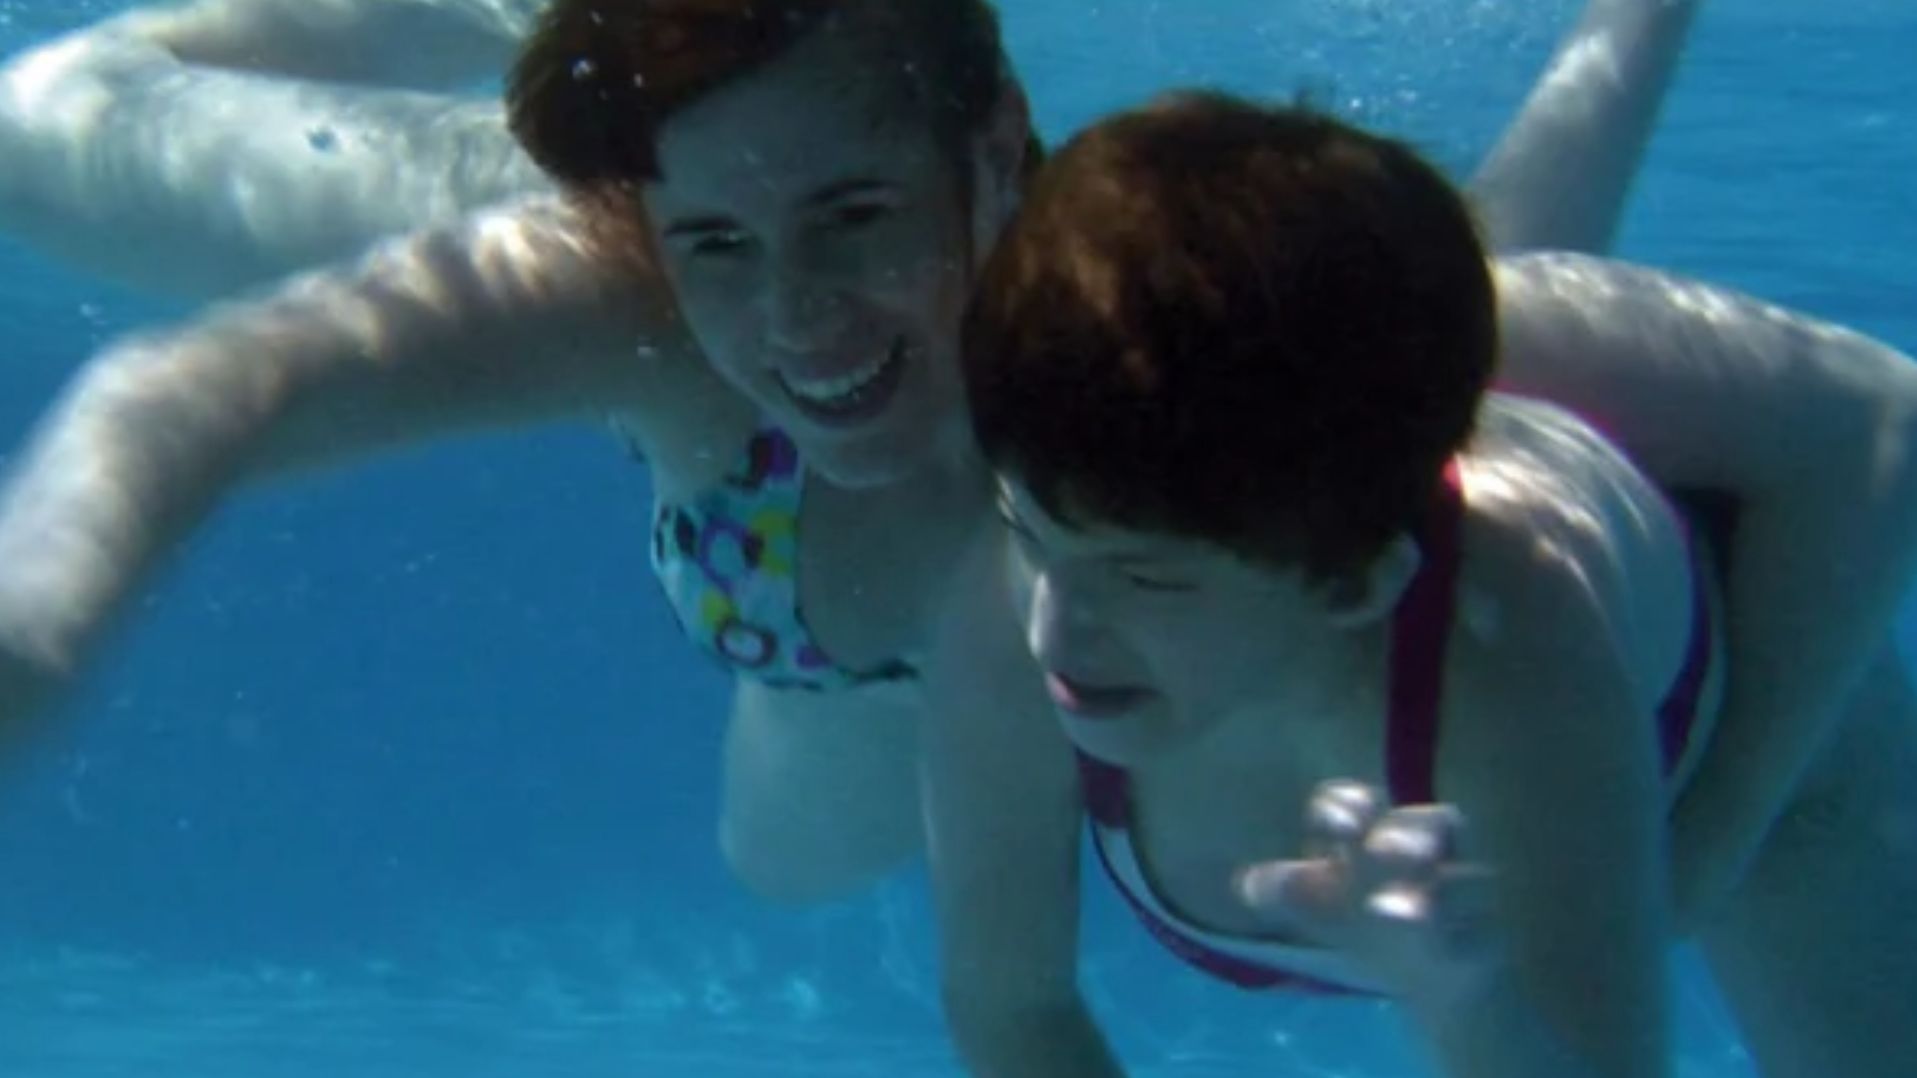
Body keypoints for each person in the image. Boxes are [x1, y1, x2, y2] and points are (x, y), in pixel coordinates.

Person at [0, 0, 1714, 907]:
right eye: (727, 239)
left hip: (884, 683)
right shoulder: (632, 284)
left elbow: (1482, 283)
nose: (802, 316)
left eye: (860, 218)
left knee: (789, 866)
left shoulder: (1126, 294)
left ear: (994, 152)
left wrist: (1635, 19)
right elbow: (204, 389)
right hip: (804, 635)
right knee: (40, 114)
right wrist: (41, 620)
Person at [926, 91, 1917, 1077]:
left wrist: (1473, 1000)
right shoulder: (1011, 620)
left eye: (1146, 577)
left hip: (1770, 742)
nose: (1055, 628)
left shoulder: (1508, 665)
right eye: (1026, 531)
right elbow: (1011, 1009)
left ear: (1352, 588)